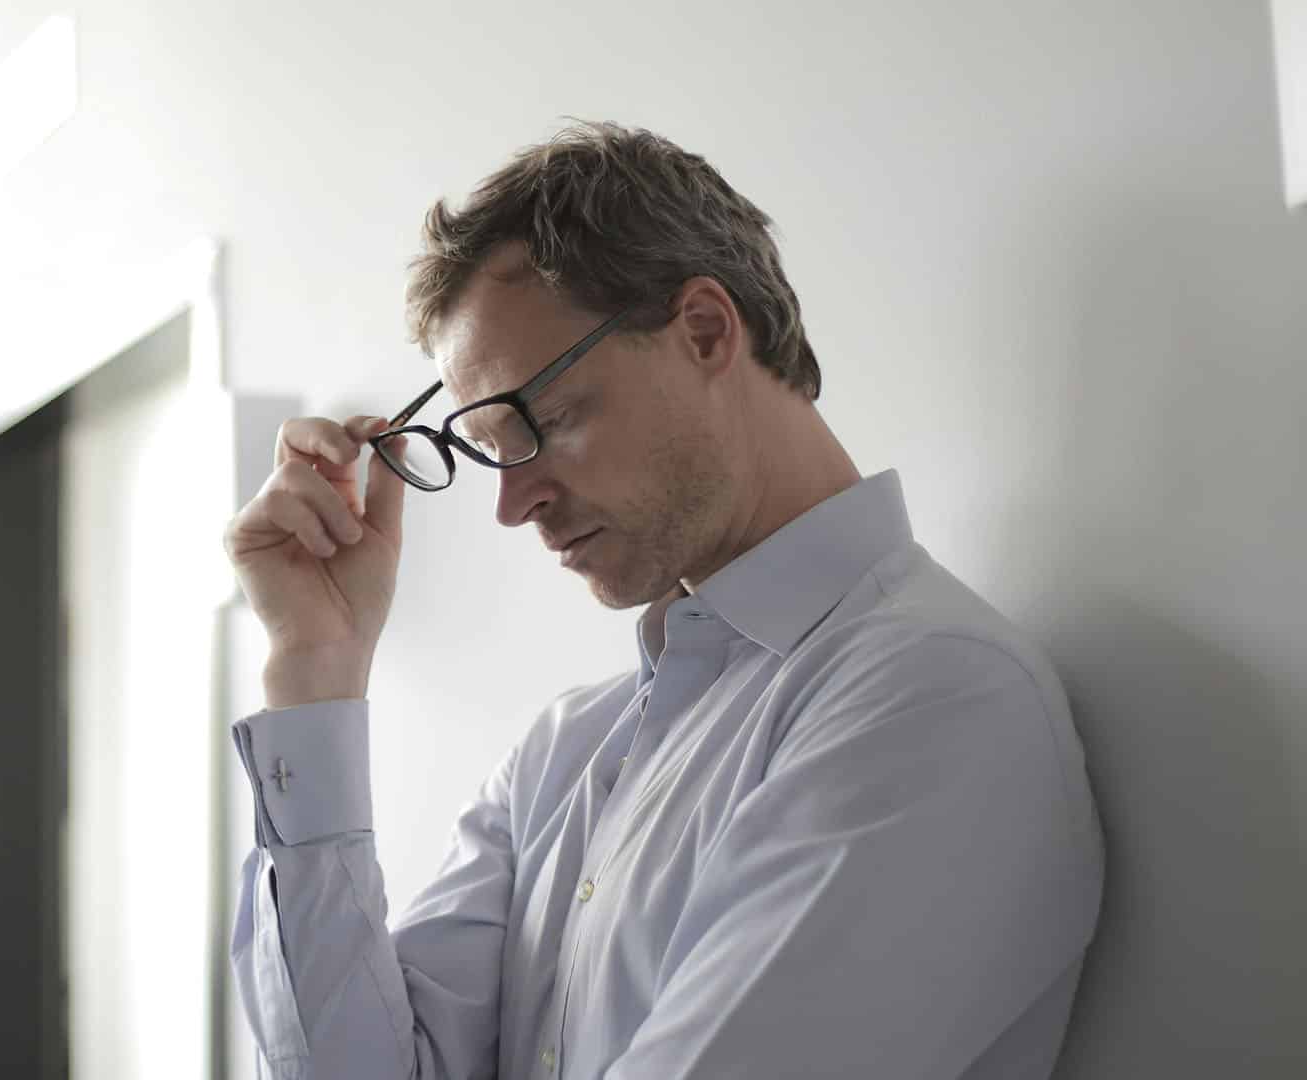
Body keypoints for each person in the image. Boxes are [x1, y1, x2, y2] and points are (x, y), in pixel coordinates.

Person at [220, 120, 1104, 1079]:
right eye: (487, 451)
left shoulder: (933, 697)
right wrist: (314, 672)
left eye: (543, 421)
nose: (514, 505)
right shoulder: (561, 757)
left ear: (706, 332)